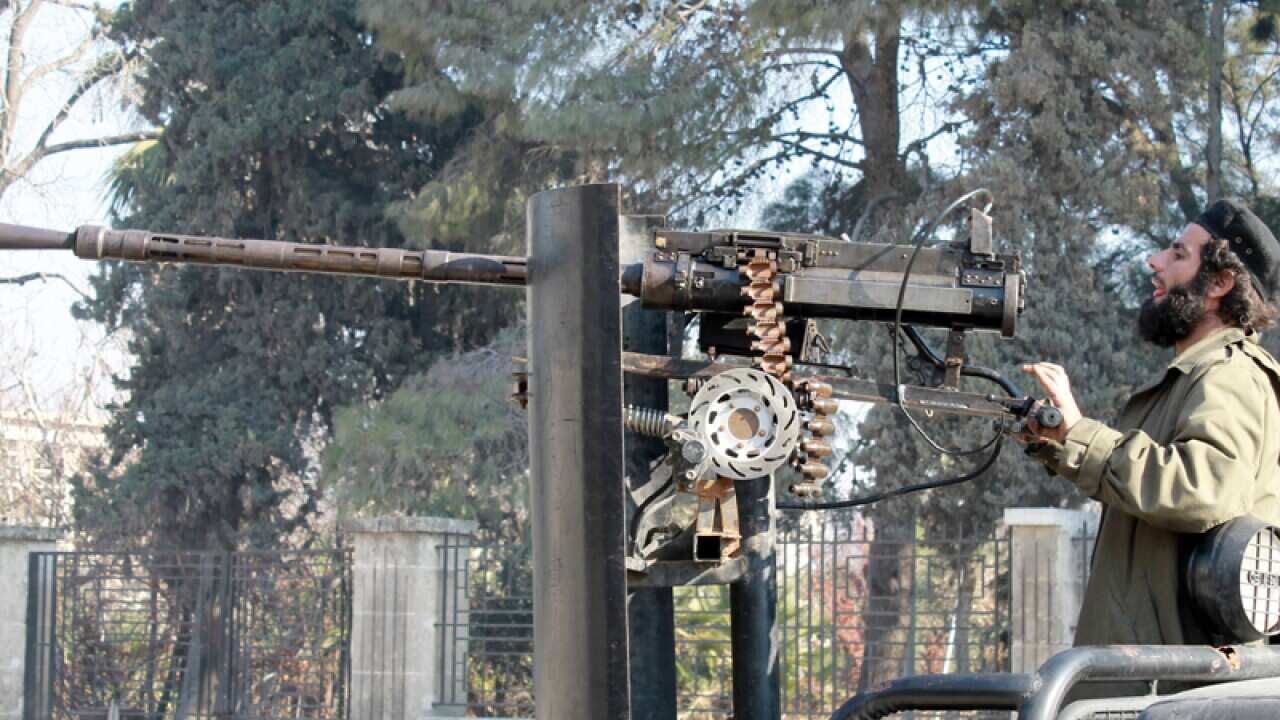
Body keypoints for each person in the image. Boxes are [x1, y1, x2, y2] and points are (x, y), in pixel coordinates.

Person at [1019, 198, 1280, 658]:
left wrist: (1083, 436)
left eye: (1178, 254)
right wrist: (1060, 441)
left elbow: (1202, 488)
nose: (1155, 261)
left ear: (1220, 283)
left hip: (1169, 681)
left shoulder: (1229, 374)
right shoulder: (1192, 377)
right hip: (1146, 672)